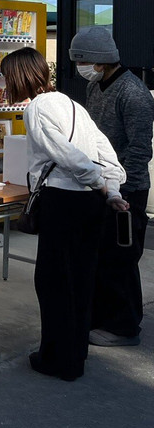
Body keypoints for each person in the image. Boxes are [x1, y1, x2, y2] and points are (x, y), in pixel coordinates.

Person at [0, 47, 128, 381]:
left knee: (54, 281)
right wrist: (110, 189)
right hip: (90, 204)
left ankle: (57, 360)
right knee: (82, 278)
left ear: (18, 76)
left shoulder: (37, 109)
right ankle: (75, 354)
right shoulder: (72, 104)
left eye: (6, 76)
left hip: (64, 199)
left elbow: (67, 155)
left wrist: (99, 182)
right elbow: (105, 151)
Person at [69, 26, 154, 347]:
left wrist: (122, 191)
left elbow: (140, 149)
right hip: (101, 187)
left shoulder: (133, 93)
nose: (81, 68)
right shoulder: (96, 86)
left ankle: (124, 327)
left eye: (84, 61)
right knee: (102, 257)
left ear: (101, 60)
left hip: (126, 190)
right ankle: (107, 318)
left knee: (121, 259)